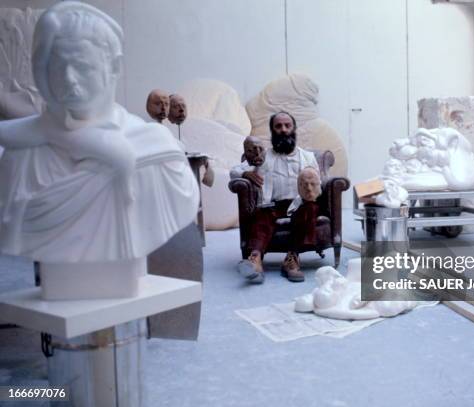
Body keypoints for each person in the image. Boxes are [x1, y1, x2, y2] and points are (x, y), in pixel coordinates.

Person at [0, 2, 199, 265]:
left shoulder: (158, 153)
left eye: (83, 67)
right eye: (58, 68)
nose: (70, 79)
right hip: (57, 282)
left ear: (114, 66)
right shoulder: (23, 155)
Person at [231, 112, 320, 283]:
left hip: (298, 205)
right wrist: (246, 173)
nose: (283, 130)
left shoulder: (308, 158)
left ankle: (291, 259)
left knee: (311, 208)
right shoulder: (262, 157)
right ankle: (255, 260)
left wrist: (311, 192)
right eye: (278, 126)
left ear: (294, 129)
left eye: (287, 125)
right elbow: (233, 171)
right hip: (272, 206)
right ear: (272, 131)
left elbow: (319, 184)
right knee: (261, 214)